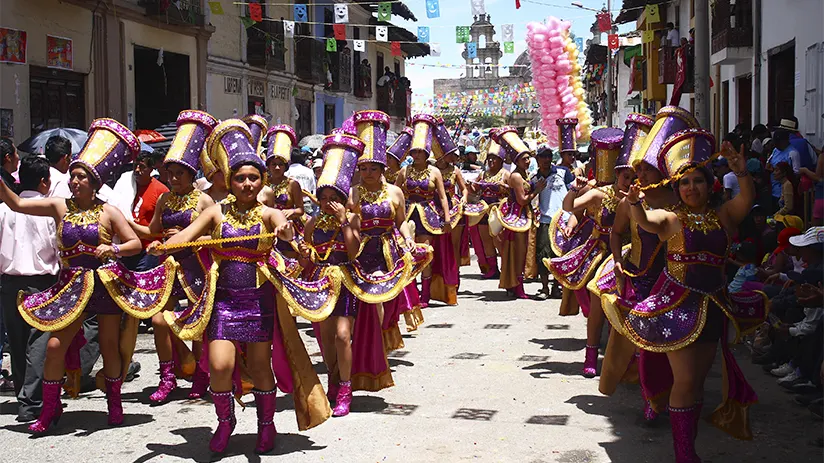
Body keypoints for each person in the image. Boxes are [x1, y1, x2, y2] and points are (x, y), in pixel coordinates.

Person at [152, 119, 333, 454]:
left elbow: (284, 226)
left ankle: (267, 424)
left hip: (258, 301)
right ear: (231, 181)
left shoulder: (267, 214)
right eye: (240, 178)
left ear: (261, 181)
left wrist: (286, 234)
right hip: (223, 302)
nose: (247, 183)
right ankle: (225, 421)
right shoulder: (216, 213)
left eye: (253, 177)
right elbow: (185, 236)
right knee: (220, 366)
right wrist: (162, 246)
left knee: (262, 367)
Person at [2, 119, 176, 433]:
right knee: (55, 345)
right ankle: (49, 410)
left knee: (109, 345)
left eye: (80, 177)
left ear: (93, 182)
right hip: (70, 287)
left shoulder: (109, 211)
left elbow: (137, 241)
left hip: (103, 284)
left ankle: (114, 404)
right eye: (72, 176)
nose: (74, 181)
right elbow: (16, 202)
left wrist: (114, 251)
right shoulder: (59, 206)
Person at [605, 130, 764, 462]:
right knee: (687, 379)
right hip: (677, 306)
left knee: (698, 382)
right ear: (677, 189)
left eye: (698, 181)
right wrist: (635, 204)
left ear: (709, 185)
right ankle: (684, 453)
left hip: (714, 305)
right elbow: (648, 221)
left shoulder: (723, 216)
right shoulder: (673, 218)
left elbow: (746, 200)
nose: (692, 187)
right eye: (685, 182)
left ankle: (687, 445)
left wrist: (743, 172)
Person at [606, 107, 695, 422]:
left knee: (672, 345)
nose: (639, 176)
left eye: (646, 169)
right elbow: (616, 234)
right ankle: (653, 398)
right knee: (646, 346)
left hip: (673, 282)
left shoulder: (680, 203)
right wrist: (617, 261)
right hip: (640, 280)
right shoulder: (628, 203)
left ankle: (673, 396)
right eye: (636, 170)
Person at [129, 110, 218, 402]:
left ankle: (201, 374)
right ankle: (167, 377)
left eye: (180, 173)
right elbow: (151, 230)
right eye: (171, 173)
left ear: (192, 174)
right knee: (158, 321)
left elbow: (216, 237)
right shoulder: (165, 198)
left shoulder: (205, 200)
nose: (174, 178)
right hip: (167, 267)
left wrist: (191, 238)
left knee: (198, 321)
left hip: (196, 267)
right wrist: (120, 220)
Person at [548, 126, 637, 377]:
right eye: (625, 177)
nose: (628, 182)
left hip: (631, 257)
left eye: (633, 177)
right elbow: (570, 207)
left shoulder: (640, 198)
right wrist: (575, 189)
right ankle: (590, 354)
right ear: (617, 175)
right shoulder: (599, 193)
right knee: (597, 308)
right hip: (601, 255)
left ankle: (627, 358)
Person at [0, 156, 60, 422]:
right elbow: (56, 249)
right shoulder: (48, 210)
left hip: (10, 282)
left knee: (17, 342)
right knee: (38, 342)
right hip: (41, 282)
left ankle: (26, 397)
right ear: (45, 182)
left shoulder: (3, 210)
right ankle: (31, 400)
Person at [396, 114, 452, 308]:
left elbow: (443, 197)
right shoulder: (404, 171)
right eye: (414, 151)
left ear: (426, 153)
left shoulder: (435, 172)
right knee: (408, 253)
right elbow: (396, 193)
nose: (417, 155)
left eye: (420, 151)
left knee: (425, 254)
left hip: (428, 216)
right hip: (408, 215)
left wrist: (447, 218)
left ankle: (425, 294)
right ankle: (412, 292)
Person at [491, 128, 541, 299]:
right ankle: (517, 286)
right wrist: (537, 190)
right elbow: (522, 200)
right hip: (517, 217)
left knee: (521, 251)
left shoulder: (523, 174)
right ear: (517, 161)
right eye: (524, 159)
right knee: (518, 252)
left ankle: (514, 284)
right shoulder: (517, 177)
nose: (528, 161)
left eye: (528, 158)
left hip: (524, 216)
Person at [531, 145, 573, 299]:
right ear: (537, 159)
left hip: (564, 220)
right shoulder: (534, 179)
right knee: (543, 256)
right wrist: (536, 189)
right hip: (545, 221)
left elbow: (573, 191)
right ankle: (544, 288)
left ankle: (556, 287)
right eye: (543, 156)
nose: (547, 159)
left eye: (549, 156)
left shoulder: (564, 173)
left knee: (560, 255)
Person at [465, 133, 509, 279]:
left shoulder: (506, 175)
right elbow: (474, 190)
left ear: (501, 160)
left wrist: (504, 187)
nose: (491, 161)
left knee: (499, 240)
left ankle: (507, 268)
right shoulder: (483, 174)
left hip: (499, 211)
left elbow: (514, 191)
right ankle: (493, 269)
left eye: (494, 158)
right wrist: (469, 185)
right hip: (484, 210)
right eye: (489, 158)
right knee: (486, 241)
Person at [431, 119, 465, 305]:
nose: (447, 157)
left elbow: (464, 189)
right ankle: (437, 286)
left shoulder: (455, 171)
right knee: (437, 249)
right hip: (433, 211)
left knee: (453, 247)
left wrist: (464, 200)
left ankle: (454, 282)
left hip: (454, 211)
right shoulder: (431, 171)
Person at [259, 125, 304, 258]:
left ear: (286, 166)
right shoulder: (262, 184)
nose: (277, 167)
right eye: (274, 164)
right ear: (268, 166)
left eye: (281, 164)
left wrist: (292, 211)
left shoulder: (293, 184)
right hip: (267, 228)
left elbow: (301, 209)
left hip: (288, 228)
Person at [126, 151, 169, 271]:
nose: (137, 170)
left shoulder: (161, 191)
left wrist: (129, 223)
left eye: (142, 167)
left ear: (151, 169)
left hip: (149, 251)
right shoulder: (127, 186)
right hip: (128, 248)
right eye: (135, 166)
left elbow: (162, 226)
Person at [768, 129, 801, 211]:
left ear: (784, 141)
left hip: (785, 192)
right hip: (773, 191)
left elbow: (796, 173)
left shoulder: (793, 153)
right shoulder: (775, 150)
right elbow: (768, 164)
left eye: (778, 142)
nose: (775, 144)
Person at [286, 145, 317, 216]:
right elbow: (313, 188)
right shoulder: (309, 171)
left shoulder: (286, 172)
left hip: (291, 206)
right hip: (306, 203)